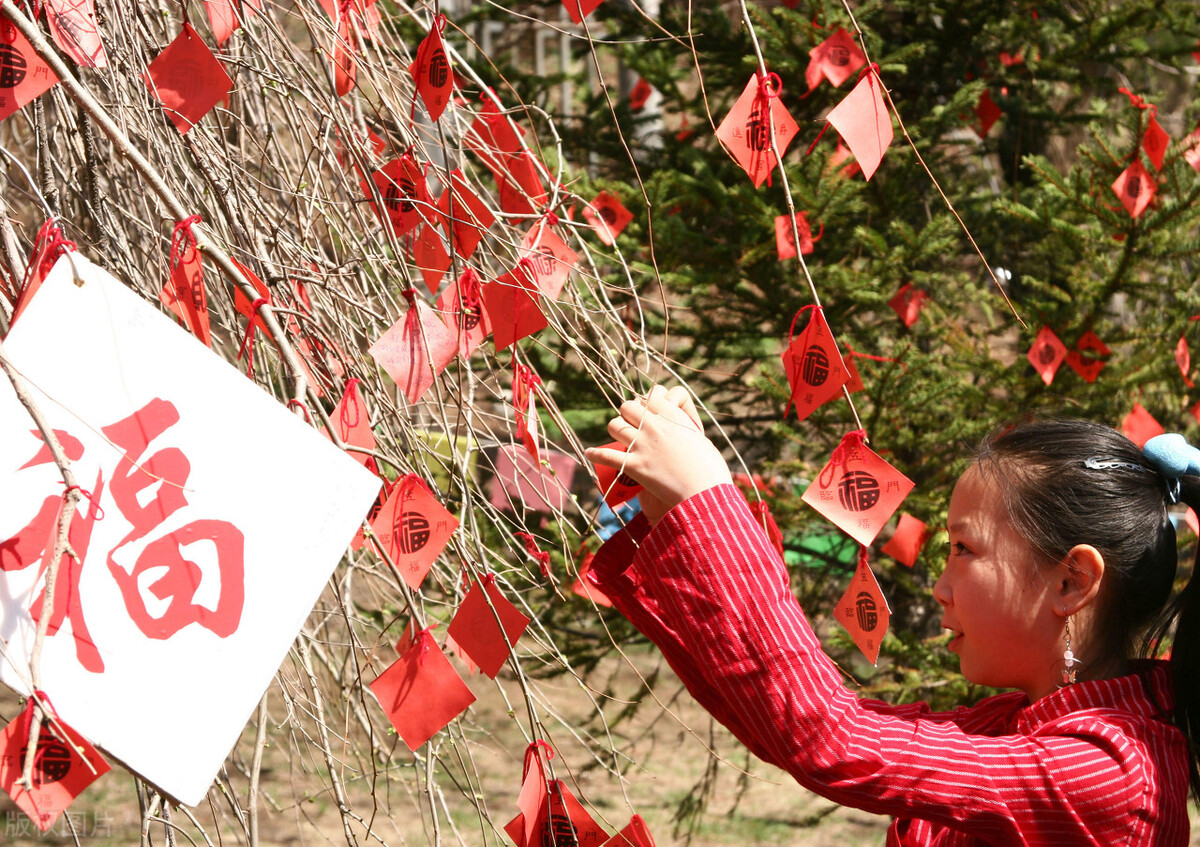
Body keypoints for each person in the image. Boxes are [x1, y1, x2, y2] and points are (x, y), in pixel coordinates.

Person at [584, 385, 1200, 845]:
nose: (939, 587)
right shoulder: (1019, 724)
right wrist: (678, 519)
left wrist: (709, 507)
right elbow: (789, 728)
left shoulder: (1107, 772)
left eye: (964, 549)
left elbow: (833, 737)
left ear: (1071, 580)